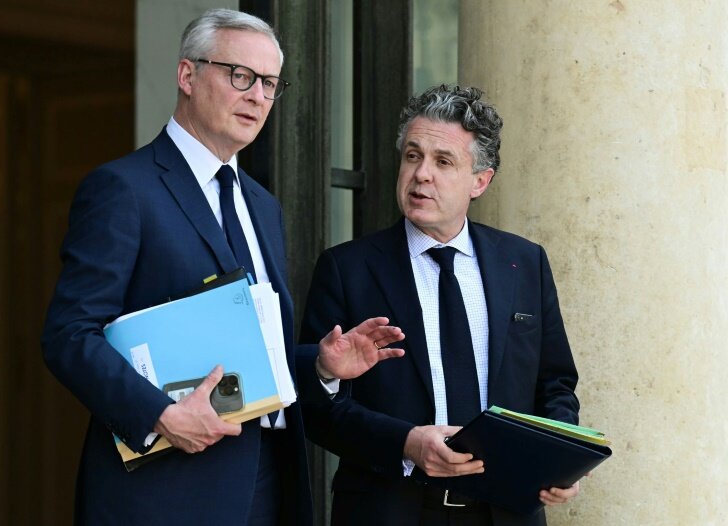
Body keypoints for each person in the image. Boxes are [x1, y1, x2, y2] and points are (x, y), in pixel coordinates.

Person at [41, 9, 404, 526]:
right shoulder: (124, 190)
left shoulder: (262, 205)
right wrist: (161, 416)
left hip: (270, 485)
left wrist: (320, 365)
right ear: (188, 76)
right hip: (164, 496)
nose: (258, 96)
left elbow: (247, 361)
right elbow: (68, 335)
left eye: (271, 84)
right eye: (241, 76)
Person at [298, 85, 581, 526]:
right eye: (413, 156)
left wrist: (562, 457)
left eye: (443, 161)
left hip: (506, 512)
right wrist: (406, 442)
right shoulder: (346, 268)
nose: (421, 173)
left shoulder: (524, 263)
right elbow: (319, 411)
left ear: (480, 182)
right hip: (390, 509)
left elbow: (555, 385)